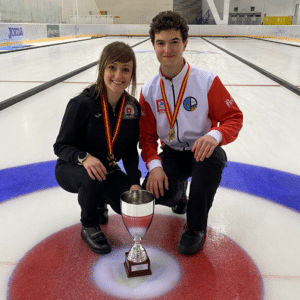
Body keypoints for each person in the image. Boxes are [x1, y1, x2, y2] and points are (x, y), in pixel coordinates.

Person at [139, 11, 243, 256]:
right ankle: (178, 197)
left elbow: (233, 118)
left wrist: (215, 135)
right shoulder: (149, 90)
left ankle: (196, 228)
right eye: (161, 43)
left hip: (202, 151)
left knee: (212, 161)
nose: (168, 49)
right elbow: (146, 138)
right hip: (172, 153)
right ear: (153, 45)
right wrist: (155, 166)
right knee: (153, 193)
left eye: (174, 41)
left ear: (185, 43)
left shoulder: (206, 81)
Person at [54, 41, 141, 255]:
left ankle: (99, 200)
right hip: (73, 168)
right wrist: (84, 157)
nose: (118, 75)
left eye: (125, 69)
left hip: (107, 168)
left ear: (132, 75)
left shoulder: (131, 108)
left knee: (128, 206)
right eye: (112, 67)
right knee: (92, 177)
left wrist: (134, 183)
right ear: (102, 68)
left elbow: (130, 150)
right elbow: (61, 146)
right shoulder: (82, 104)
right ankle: (89, 224)